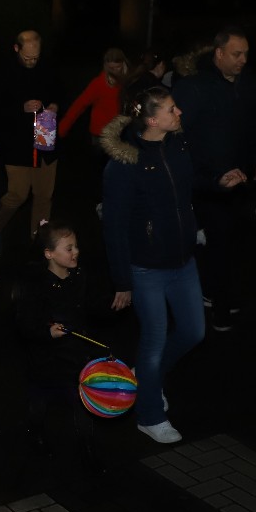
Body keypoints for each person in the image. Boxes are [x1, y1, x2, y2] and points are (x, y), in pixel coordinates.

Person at [100, 86, 205, 444]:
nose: (179, 113)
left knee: (193, 332)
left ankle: (148, 377)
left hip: (183, 260)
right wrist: (122, 281)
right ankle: (149, 415)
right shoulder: (124, 165)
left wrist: (220, 183)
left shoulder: (178, 146)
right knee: (154, 340)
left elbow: (188, 188)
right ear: (152, 119)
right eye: (172, 109)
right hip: (146, 268)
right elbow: (114, 226)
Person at [170, 26, 256, 331]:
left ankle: (218, 292)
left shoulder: (248, 85)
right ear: (219, 53)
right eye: (236, 54)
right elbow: (176, 134)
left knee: (233, 241)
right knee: (218, 242)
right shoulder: (195, 87)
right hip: (207, 182)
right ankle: (220, 306)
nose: (243, 60)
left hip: (239, 180)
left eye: (246, 54)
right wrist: (192, 173)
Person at [15, 221, 111, 460]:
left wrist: (110, 304)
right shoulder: (35, 285)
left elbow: (89, 308)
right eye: (69, 248)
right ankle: (35, 433)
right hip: (45, 359)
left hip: (75, 355)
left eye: (76, 246)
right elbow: (25, 323)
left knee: (81, 401)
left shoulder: (79, 276)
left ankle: (87, 446)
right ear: (49, 254)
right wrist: (47, 332)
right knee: (40, 401)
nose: (75, 252)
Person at [0, 30, 63, 246]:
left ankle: (39, 240)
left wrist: (55, 105)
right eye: (27, 57)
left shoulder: (48, 68)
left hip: (46, 144)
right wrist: (20, 108)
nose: (32, 61)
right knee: (17, 194)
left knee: (44, 195)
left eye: (36, 57)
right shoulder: (3, 72)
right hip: (17, 146)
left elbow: (62, 92)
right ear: (16, 48)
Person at [59, 47, 130, 215]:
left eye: (118, 67)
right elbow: (79, 105)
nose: (115, 71)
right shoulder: (98, 83)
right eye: (111, 68)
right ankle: (102, 204)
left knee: (120, 172)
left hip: (121, 133)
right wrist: (62, 129)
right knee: (103, 172)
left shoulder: (128, 81)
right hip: (101, 135)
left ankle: (117, 203)